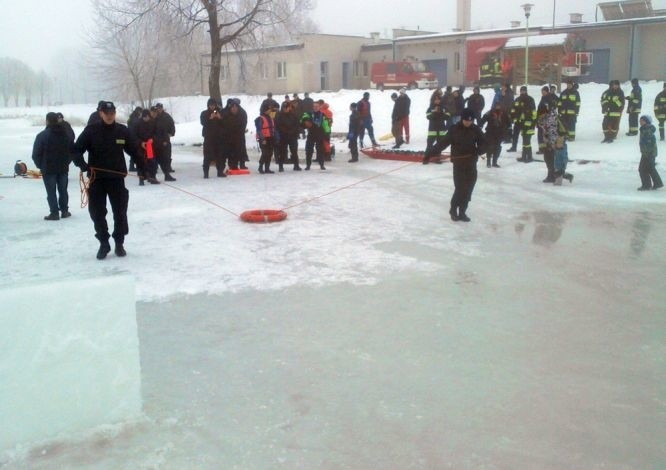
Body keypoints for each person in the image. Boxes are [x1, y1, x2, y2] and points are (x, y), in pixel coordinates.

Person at [72, 101, 146, 259]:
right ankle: (104, 243)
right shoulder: (91, 131)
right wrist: (83, 165)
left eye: (112, 113)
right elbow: (76, 150)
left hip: (117, 179)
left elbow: (134, 150)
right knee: (97, 213)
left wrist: (143, 168)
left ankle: (119, 243)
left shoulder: (122, 131)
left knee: (120, 213)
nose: (110, 115)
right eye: (107, 113)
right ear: (100, 113)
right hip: (96, 179)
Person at [424, 108, 485, 222]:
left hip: (471, 164)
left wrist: (479, 150)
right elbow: (442, 143)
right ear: (462, 119)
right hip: (458, 165)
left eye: (470, 121)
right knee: (460, 188)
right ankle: (453, 209)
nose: (468, 122)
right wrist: (430, 153)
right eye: (466, 120)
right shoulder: (454, 129)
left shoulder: (476, 130)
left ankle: (462, 212)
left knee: (468, 189)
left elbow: (484, 143)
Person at [32, 112, 72, 220]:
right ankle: (64, 211)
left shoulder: (42, 135)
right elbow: (71, 151)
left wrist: (41, 165)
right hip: (63, 168)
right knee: (63, 190)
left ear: (47, 121)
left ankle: (54, 213)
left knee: (51, 192)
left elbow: (36, 154)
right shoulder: (66, 135)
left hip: (48, 169)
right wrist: (67, 162)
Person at [637, 115, 663, 191]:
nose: (640, 122)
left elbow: (649, 142)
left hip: (648, 153)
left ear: (646, 121)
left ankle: (647, 185)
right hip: (648, 152)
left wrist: (647, 153)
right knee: (650, 168)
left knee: (642, 169)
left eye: (642, 120)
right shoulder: (645, 129)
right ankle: (657, 183)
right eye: (640, 120)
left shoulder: (647, 129)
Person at [200, 98, 224, 178]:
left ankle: (220, 172)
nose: (212, 107)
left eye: (213, 105)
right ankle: (206, 173)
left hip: (218, 138)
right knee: (207, 156)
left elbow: (225, 124)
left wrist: (220, 118)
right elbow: (203, 122)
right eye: (211, 105)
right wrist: (210, 118)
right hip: (208, 138)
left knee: (219, 156)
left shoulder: (220, 112)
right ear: (208, 105)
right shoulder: (204, 113)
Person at [275, 101, 302, 171]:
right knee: (282, 152)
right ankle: (280, 166)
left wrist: (294, 132)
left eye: (287, 107)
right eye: (284, 107)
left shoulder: (293, 115)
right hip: (283, 136)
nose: (286, 109)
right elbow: (278, 125)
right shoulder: (279, 115)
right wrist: (285, 131)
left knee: (294, 151)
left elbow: (297, 125)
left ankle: (296, 165)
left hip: (292, 136)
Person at [423, 92, 449, 164]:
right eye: (435, 99)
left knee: (439, 145)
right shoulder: (430, 108)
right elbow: (428, 117)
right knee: (429, 144)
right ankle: (426, 158)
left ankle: (437, 158)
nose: (437, 101)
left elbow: (448, 116)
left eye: (438, 99)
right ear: (433, 100)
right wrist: (434, 113)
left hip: (441, 129)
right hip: (432, 129)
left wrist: (440, 114)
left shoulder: (444, 108)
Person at [221, 98, 247, 171]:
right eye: (232, 107)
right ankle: (223, 167)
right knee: (228, 152)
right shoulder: (226, 114)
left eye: (236, 107)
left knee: (237, 151)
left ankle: (235, 165)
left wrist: (239, 132)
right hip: (228, 137)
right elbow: (223, 125)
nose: (234, 109)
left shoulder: (241, 113)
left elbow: (243, 124)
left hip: (238, 136)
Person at [481, 102, 508, 168]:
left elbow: (508, 122)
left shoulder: (504, 113)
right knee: (490, 147)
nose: (497, 107)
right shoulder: (489, 112)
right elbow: (482, 120)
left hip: (500, 133)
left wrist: (507, 131)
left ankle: (494, 162)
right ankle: (488, 162)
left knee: (498, 148)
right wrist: (480, 126)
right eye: (496, 106)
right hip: (490, 133)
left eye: (499, 106)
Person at [300, 100, 326, 170]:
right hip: (311, 134)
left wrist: (326, 134)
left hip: (319, 135)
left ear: (319, 107)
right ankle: (308, 165)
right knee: (309, 151)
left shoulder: (322, 115)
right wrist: (305, 121)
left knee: (320, 151)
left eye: (317, 106)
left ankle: (322, 165)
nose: (315, 108)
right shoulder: (309, 113)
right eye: (314, 106)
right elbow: (302, 119)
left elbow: (326, 125)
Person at [153, 102, 176, 179]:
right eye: (157, 108)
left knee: (167, 155)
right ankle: (154, 172)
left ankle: (167, 169)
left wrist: (171, 133)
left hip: (165, 138)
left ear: (162, 108)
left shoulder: (167, 116)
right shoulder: (154, 117)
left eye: (160, 108)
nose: (159, 110)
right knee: (154, 157)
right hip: (155, 141)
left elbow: (172, 125)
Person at [136, 109, 160, 185]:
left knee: (152, 161)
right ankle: (141, 179)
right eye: (145, 117)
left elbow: (156, 133)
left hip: (149, 145)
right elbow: (133, 136)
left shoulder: (152, 123)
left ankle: (152, 177)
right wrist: (141, 142)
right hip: (141, 146)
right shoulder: (137, 124)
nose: (146, 119)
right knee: (141, 162)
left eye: (147, 117)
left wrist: (152, 139)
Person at [515, 86, 537, 162]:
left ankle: (529, 157)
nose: (522, 92)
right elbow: (516, 111)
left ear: (526, 91)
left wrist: (533, 122)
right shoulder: (519, 100)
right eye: (521, 91)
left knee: (527, 141)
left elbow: (534, 112)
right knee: (524, 141)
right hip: (523, 124)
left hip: (529, 124)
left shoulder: (530, 99)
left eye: (524, 91)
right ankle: (524, 156)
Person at [254, 106, 276, 174]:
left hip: (270, 138)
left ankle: (267, 168)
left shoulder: (270, 117)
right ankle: (260, 167)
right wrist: (262, 139)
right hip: (264, 138)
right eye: (268, 110)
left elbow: (273, 128)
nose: (270, 111)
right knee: (265, 153)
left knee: (270, 153)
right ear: (265, 111)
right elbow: (259, 130)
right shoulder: (260, 119)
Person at [536, 85, 557, 154]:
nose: (542, 93)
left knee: (545, 134)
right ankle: (542, 148)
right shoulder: (543, 98)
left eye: (544, 92)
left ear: (547, 92)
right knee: (540, 134)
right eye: (542, 92)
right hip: (541, 119)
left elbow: (549, 110)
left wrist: (544, 116)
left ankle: (546, 148)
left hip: (546, 120)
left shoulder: (548, 99)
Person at [553, 121, 573, 186]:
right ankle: (564, 177)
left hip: (560, 145)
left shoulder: (556, 122)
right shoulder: (557, 121)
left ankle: (558, 182)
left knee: (559, 164)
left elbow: (564, 159)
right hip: (560, 144)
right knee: (558, 163)